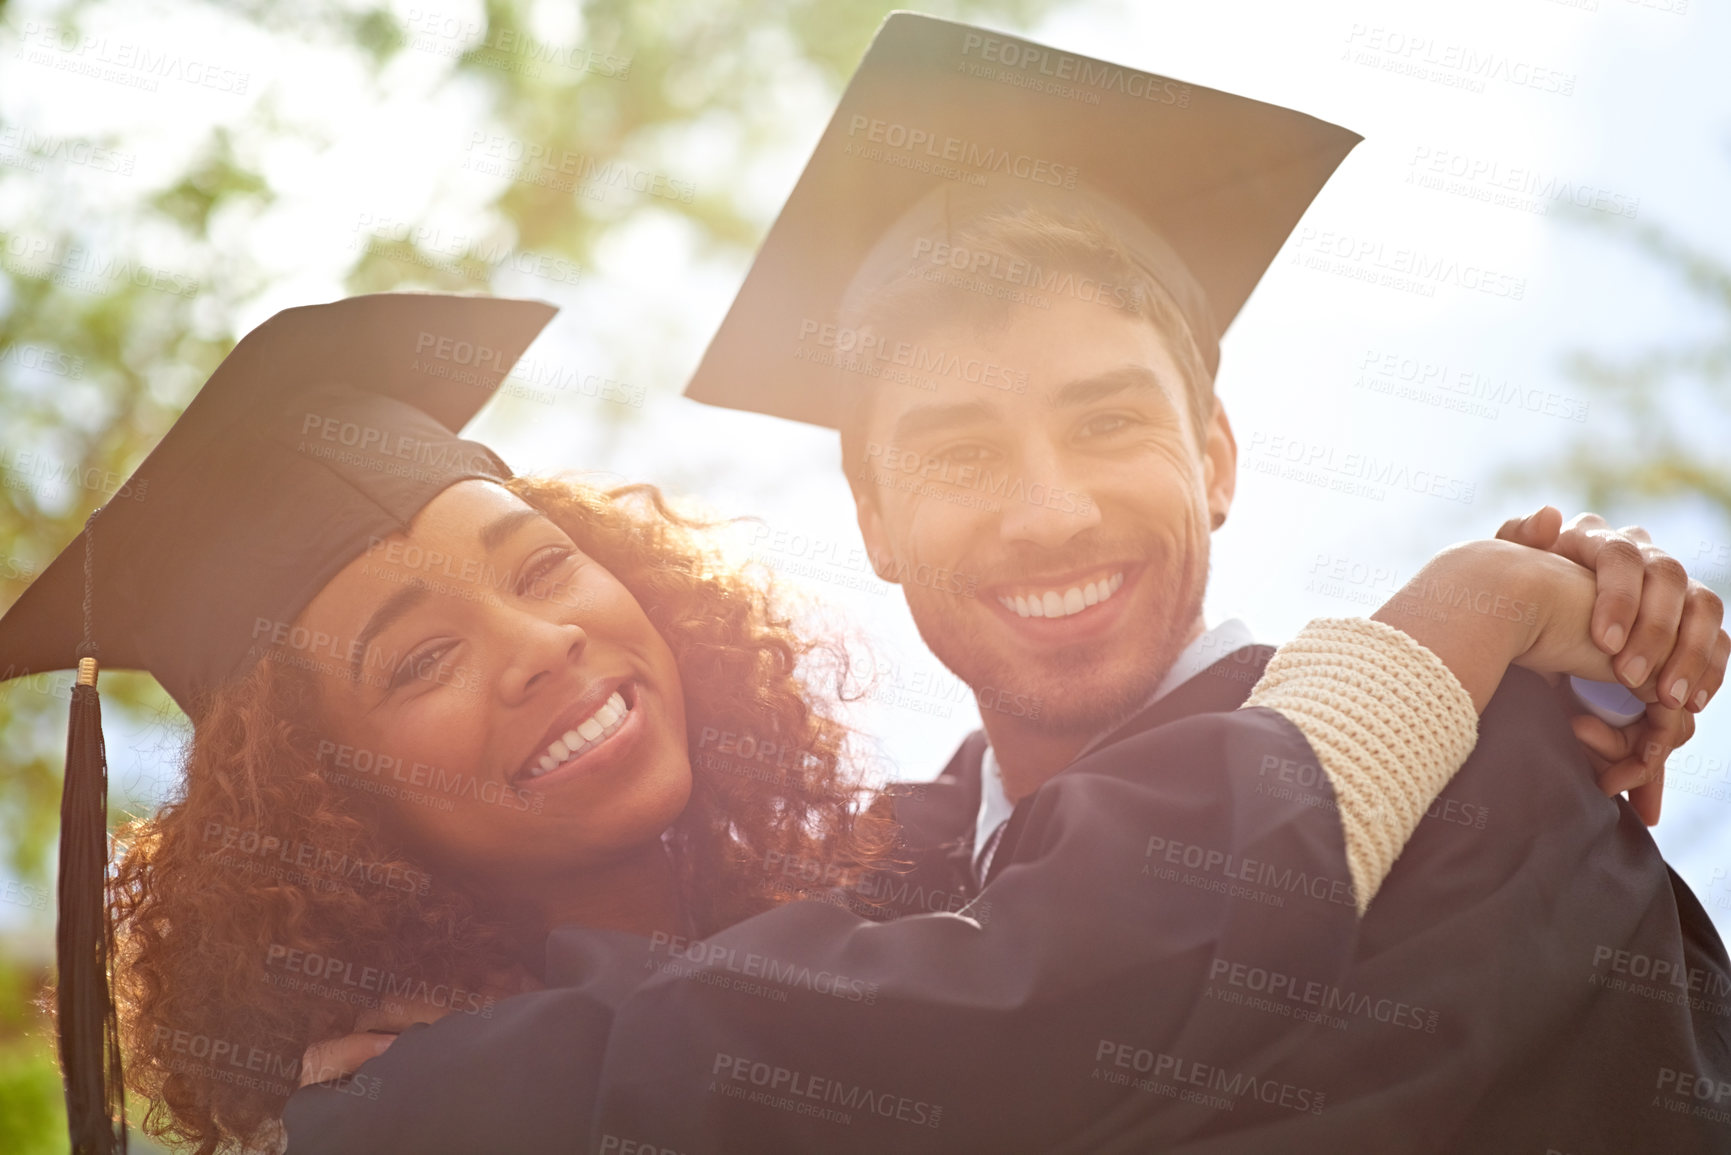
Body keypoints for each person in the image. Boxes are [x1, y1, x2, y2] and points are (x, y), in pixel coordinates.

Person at [280, 21, 1726, 1155]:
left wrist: (495, 1093)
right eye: (960, 452)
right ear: (875, 517)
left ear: (1215, 457)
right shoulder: (891, 888)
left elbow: (1021, 1043)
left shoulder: (1484, 761)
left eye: (1108, 421)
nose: (1049, 509)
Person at [0, 297, 1696, 1155]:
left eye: (544, 565)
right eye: (414, 662)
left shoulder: (920, 877)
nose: (534, 647)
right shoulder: (416, 1110)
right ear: (325, 808)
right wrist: (1461, 622)